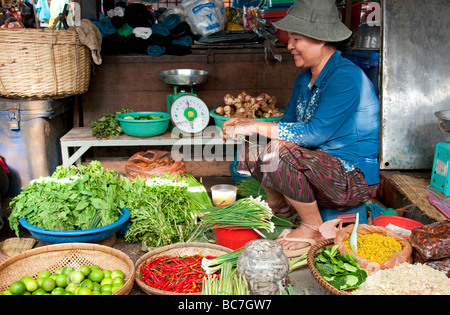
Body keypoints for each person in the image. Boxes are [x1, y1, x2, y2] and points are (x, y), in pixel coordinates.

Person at [222, 0, 380, 257]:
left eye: (296, 39)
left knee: (279, 152)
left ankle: (313, 226)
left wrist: (256, 124)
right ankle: (279, 204)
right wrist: (246, 126)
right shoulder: (304, 78)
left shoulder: (346, 77)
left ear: (320, 40)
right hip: (318, 171)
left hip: (351, 178)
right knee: (253, 144)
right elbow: (286, 126)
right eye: (290, 38)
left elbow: (313, 134)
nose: (290, 45)